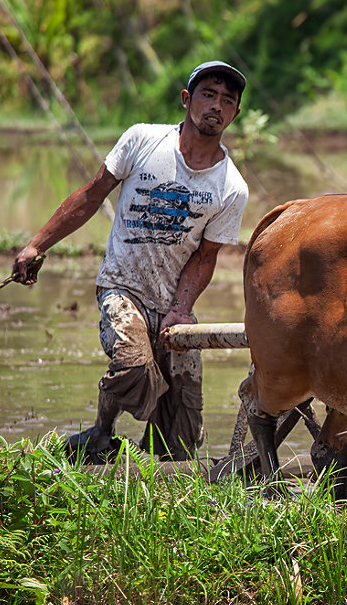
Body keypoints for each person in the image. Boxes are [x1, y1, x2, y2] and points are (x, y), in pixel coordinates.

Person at [13, 61, 250, 462]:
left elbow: (205, 256)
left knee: (180, 441)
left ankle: (140, 465)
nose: (217, 106)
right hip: (123, 286)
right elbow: (93, 193)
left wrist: (181, 309)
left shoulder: (231, 186)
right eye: (209, 94)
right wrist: (38, 243)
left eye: (228, 100)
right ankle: (101, 434)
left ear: (235, 114)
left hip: (172, 302)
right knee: (134, 366)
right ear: (187, 99)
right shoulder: (143, 140)